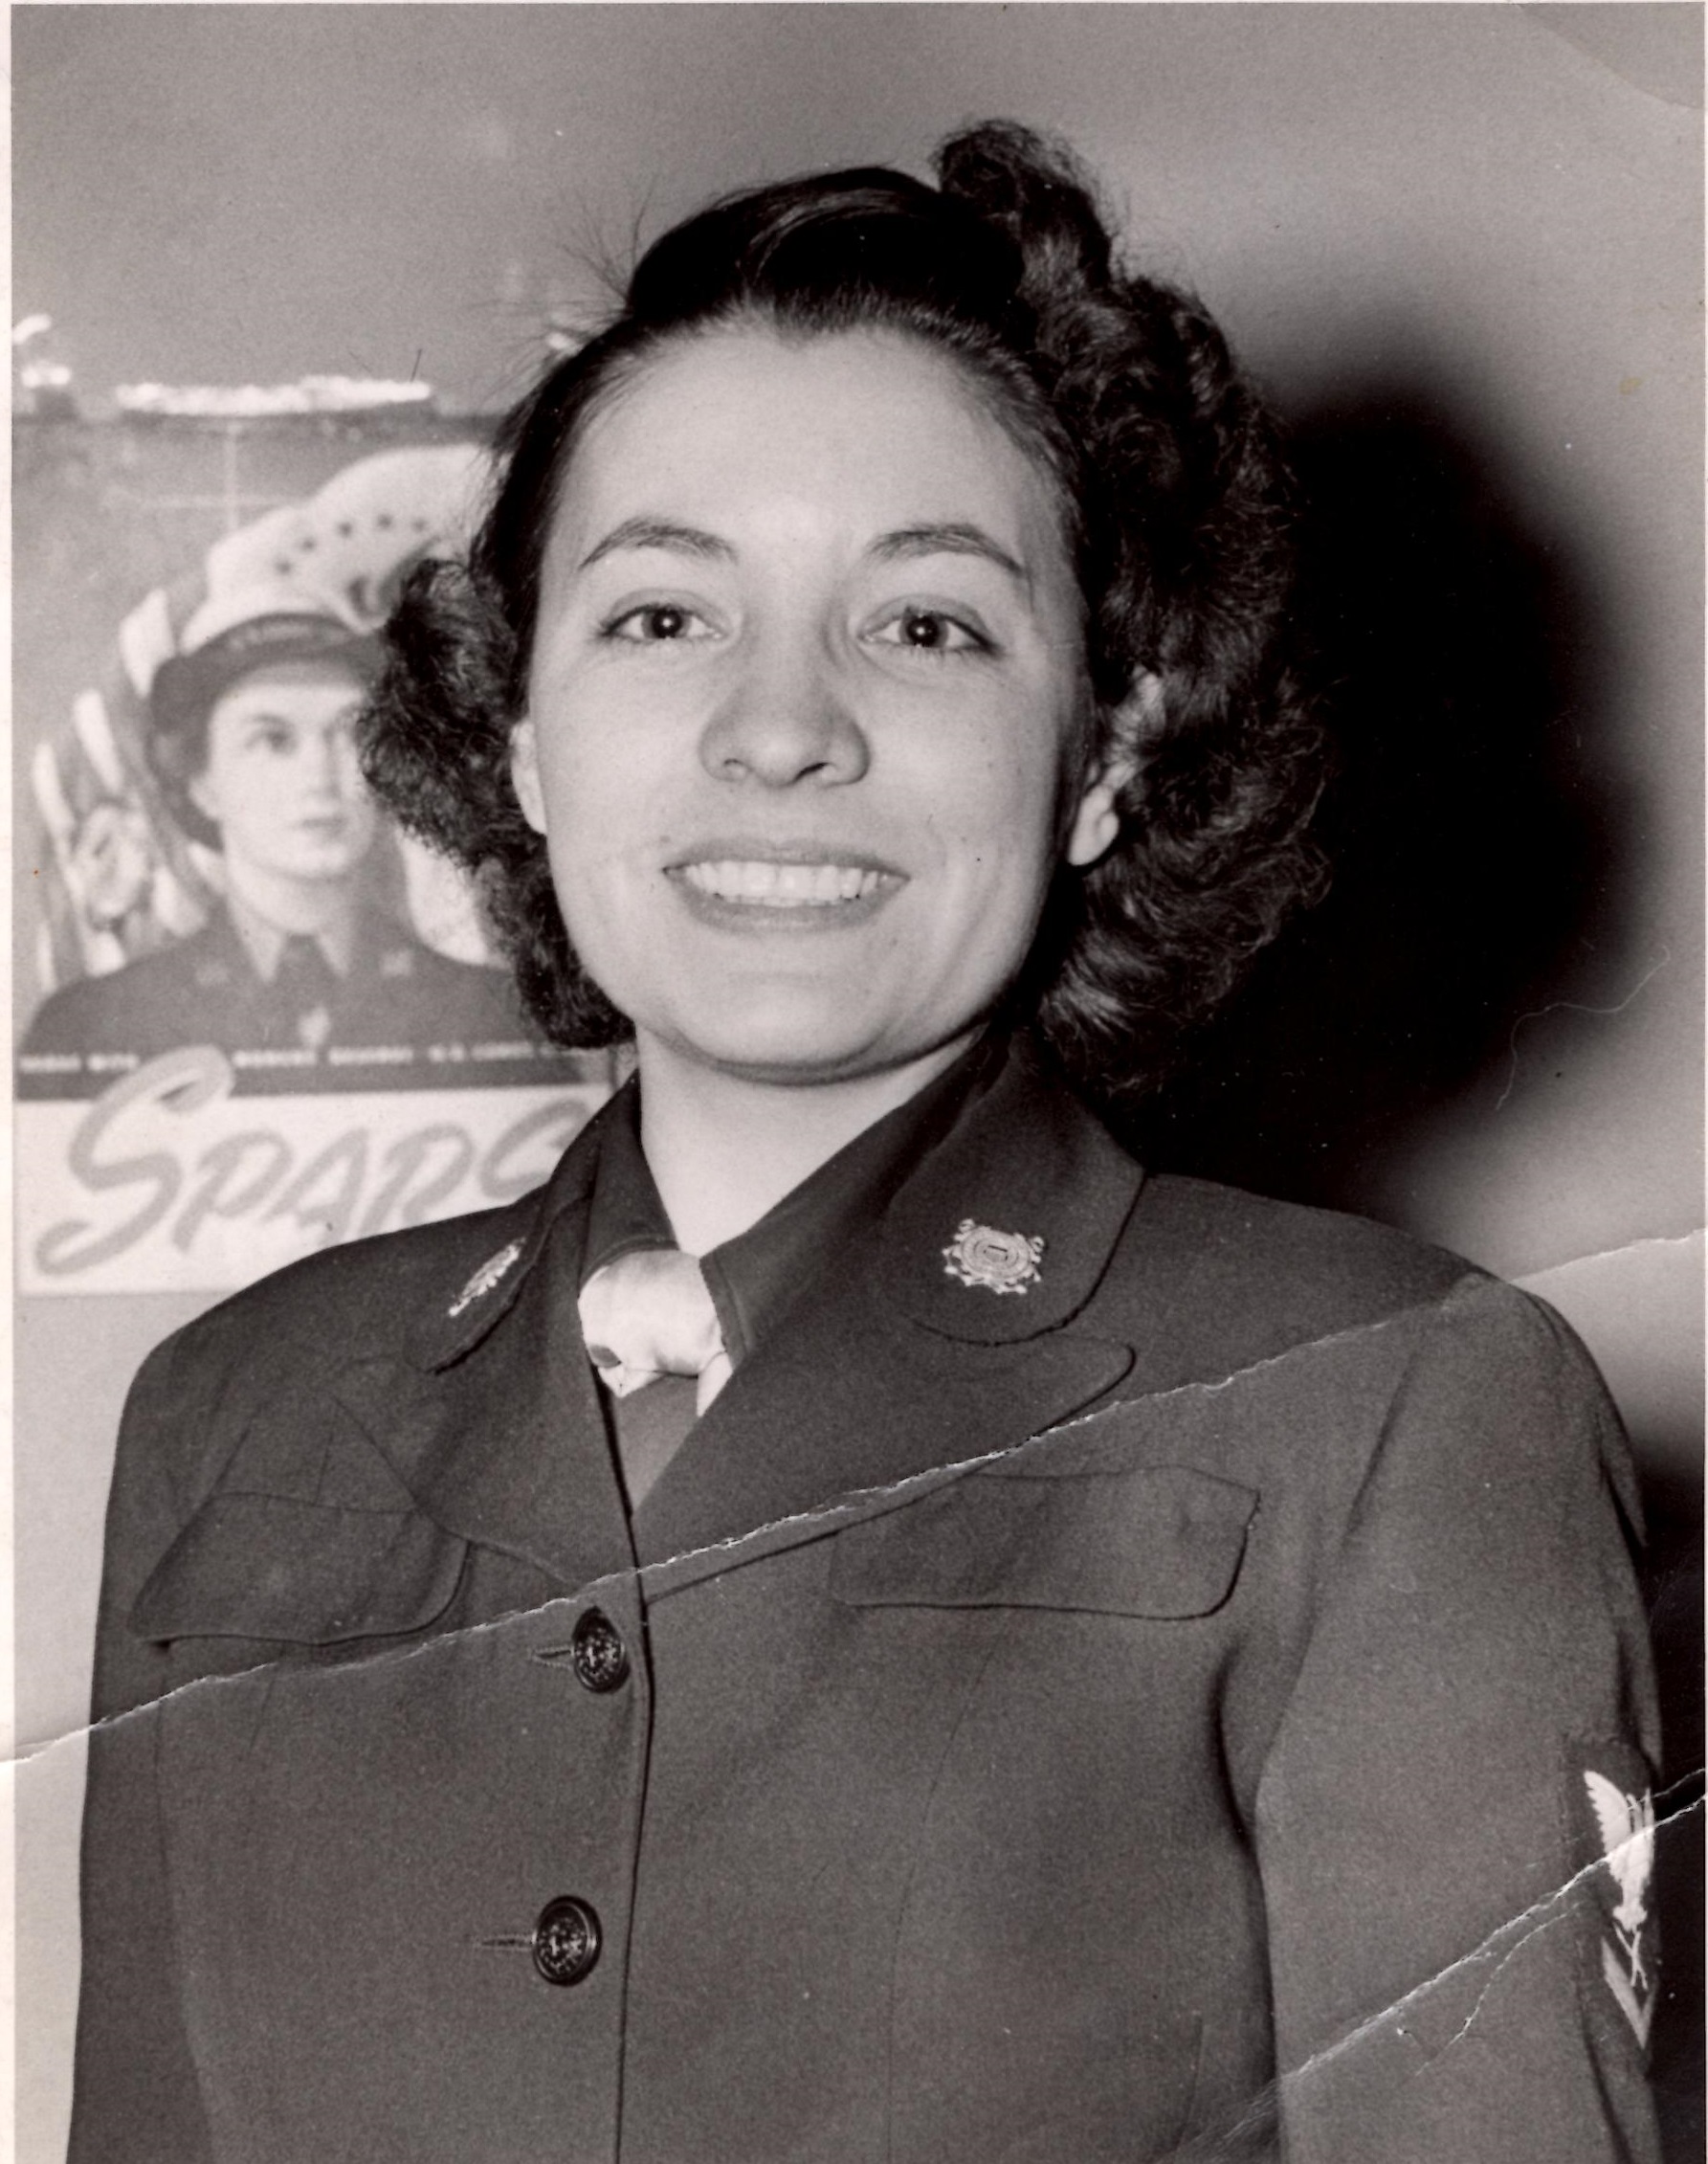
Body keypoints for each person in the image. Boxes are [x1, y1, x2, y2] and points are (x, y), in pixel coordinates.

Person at [71, 123, 1659, 2163]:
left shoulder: (1387, 1408)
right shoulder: (234, 1409)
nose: (777, 725)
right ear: (524, 731)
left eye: (924, 625)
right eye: (661, 617)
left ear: (1098, 754)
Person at [18, 592, 555, 1097]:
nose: (320, 776)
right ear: (202, 783)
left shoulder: (493, 1018)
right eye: (273, 740)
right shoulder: (87, 1031)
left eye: (351, 732)